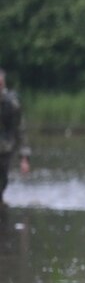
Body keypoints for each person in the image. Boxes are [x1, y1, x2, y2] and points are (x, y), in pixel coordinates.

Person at [0, 68, 31, 205]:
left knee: (2, 180)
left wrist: (24, 158)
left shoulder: (12, 104)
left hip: (5, 148)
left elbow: (20, 130)